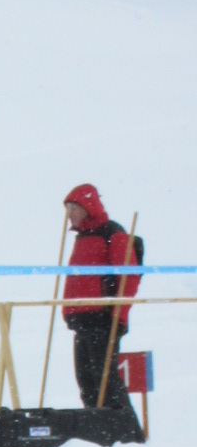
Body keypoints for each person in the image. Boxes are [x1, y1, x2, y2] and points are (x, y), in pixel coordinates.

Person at [62, 183, 142, 433]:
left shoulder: (112, 233)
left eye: (74, 207)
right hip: (82, 321)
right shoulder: (81, 238)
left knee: (105, 379)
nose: (69, 214)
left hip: (104, 319)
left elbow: (129, 277)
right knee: (86, 380)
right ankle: (98, 431)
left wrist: (119, 315)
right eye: (67, 208)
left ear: (88, 206)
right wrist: (68, 311)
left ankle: (128, 434)